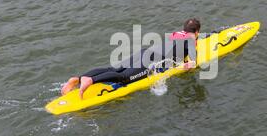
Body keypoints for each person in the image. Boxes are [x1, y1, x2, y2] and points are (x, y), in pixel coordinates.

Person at [61, 18, 201, 99]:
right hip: (150, 62)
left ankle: (78, 79)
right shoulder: (190, 39)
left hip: (144, 52)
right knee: (124, 78)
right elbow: (193, 63)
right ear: (196, 32)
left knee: (115, 68)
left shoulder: (176, 34)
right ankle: (90, 80)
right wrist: (186, 65)